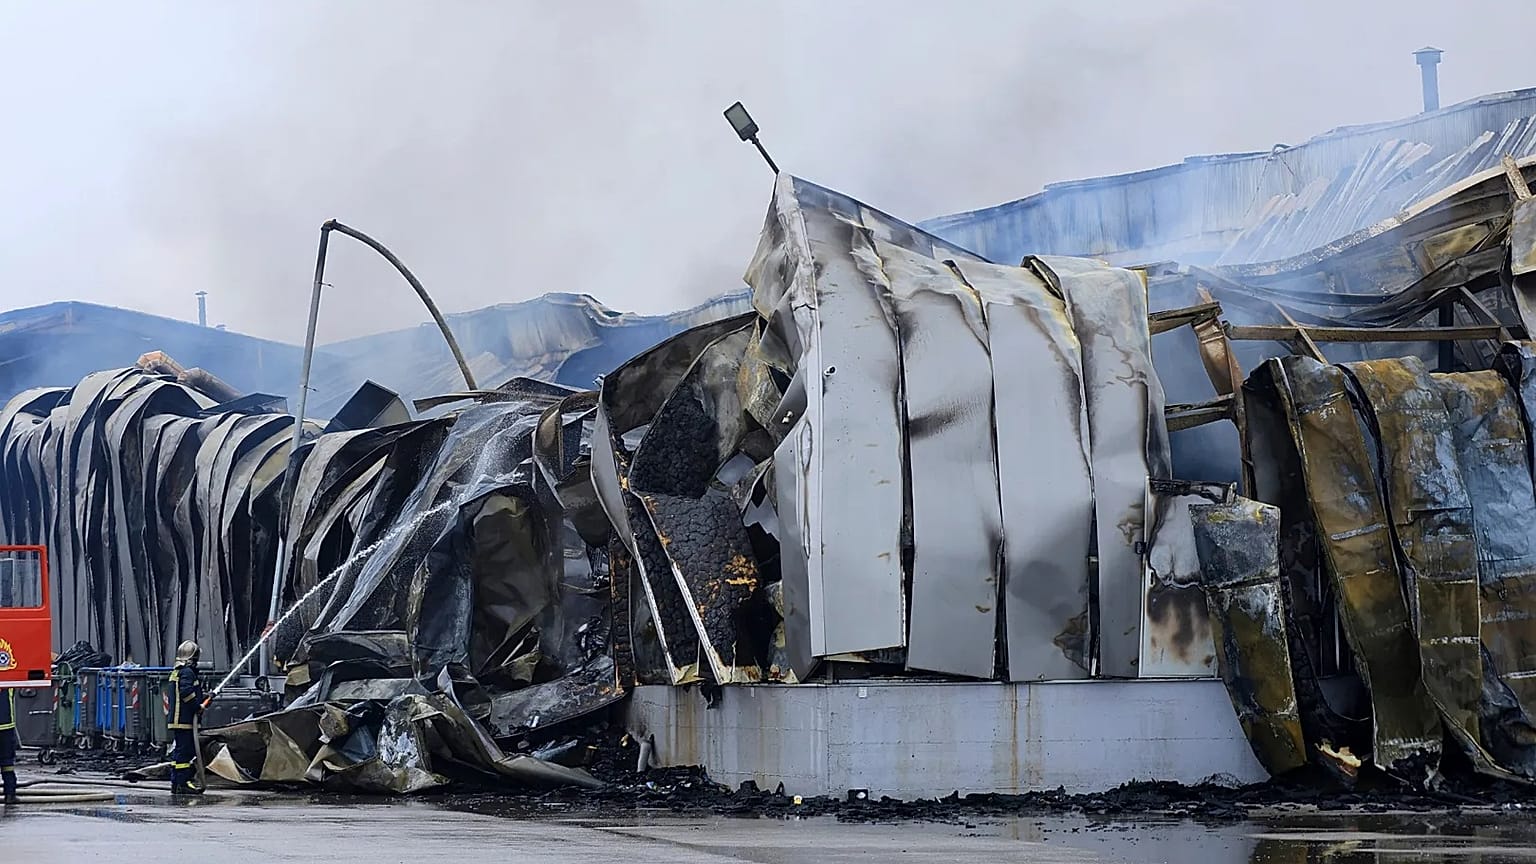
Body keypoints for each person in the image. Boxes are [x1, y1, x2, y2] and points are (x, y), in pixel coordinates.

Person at [167, 640, 205, 796]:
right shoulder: (187, 672)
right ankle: (183, 783)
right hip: (184, 719)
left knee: (179, 752)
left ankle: (176, 782)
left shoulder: (177, 671)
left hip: (177, 720)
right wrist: (198, 707)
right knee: (185, 752)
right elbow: (186, 693)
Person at [0, 686, 17, 805]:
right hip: (6, 726)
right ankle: (10, 795)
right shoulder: (10, 680)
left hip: (6, 726)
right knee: (7, 763)